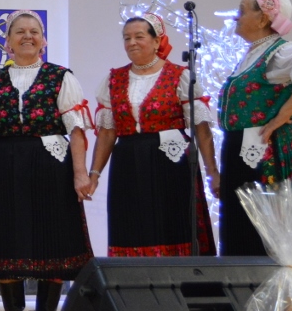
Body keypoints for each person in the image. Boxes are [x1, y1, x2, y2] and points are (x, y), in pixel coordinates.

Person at [0, 10, 93, 311]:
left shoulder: (61, 77)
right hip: (5, 164)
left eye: (34, 31)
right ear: (7, 42)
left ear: (43, 40)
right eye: (19, 31)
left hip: (52, 164)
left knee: (53, 240)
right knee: (8, 240)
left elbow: (76, 130)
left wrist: (80, 174)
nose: (27, 36)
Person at [218, 0, 292, 273]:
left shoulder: (281, 52)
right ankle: (249, 291)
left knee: (270, 230)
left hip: (270, 150)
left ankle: (277, 295)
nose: (236, 16)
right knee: (244, 225)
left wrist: (282, 117)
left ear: (263, 19)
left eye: (242, 10)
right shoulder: (255, 53)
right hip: (245, 149)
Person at [88, 14, 218, 257]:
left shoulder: (180, 76)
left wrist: (213, 173)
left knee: (173, 223)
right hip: (128, 162)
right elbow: (107, 132)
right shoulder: (114, 79)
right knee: (132, 224)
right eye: (127, 38)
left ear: (157, 41)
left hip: (171, 161)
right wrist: (94, 174)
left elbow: (201, 129)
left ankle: (178, 276)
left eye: (139, 36)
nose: (131, 43)